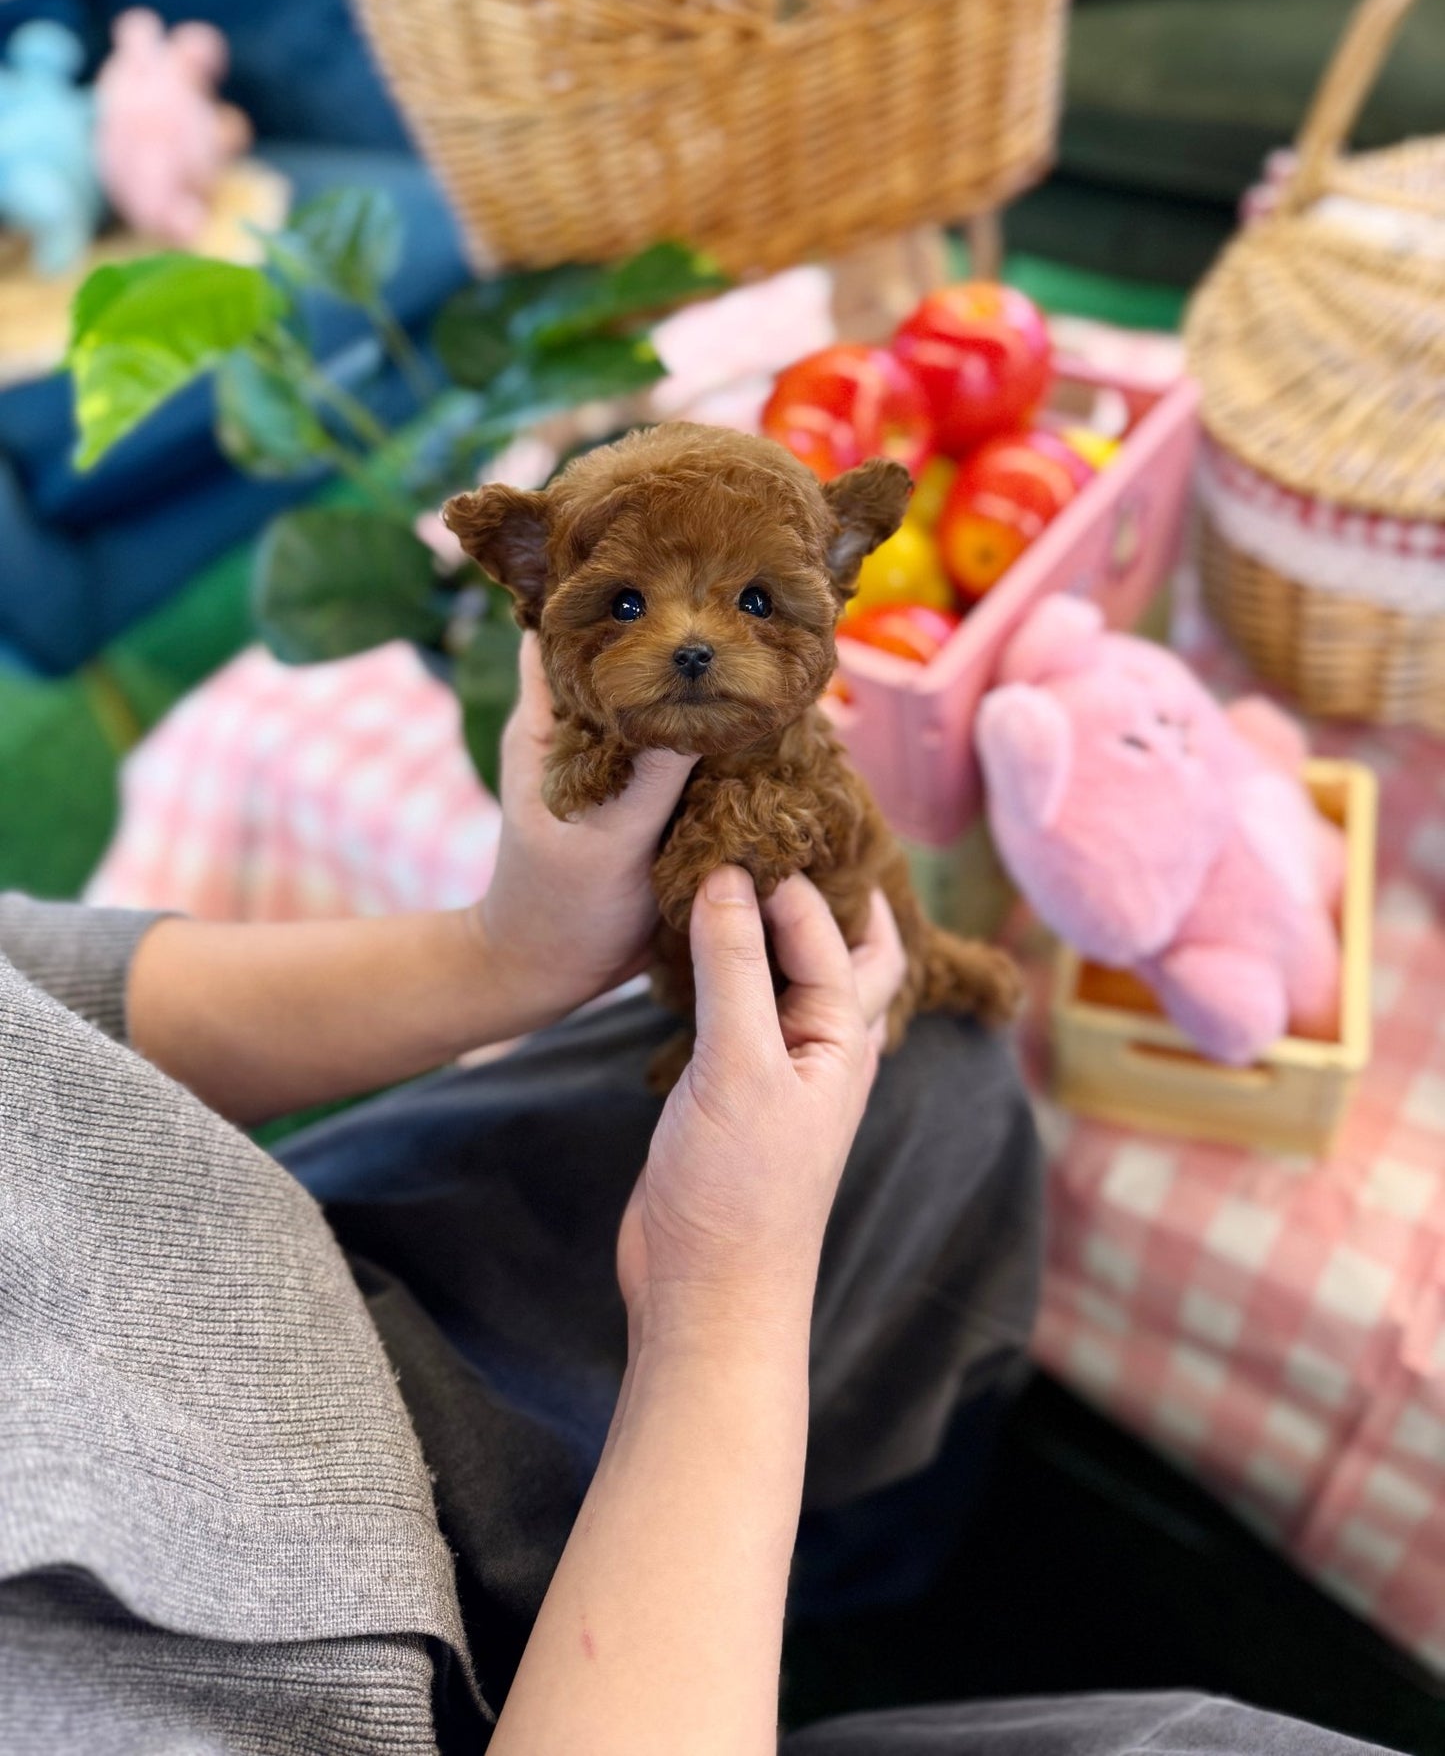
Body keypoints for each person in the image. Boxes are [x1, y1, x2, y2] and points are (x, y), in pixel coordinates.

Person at [0, 639, 1400, 1756]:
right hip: (448, 1702)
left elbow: (50, 1004)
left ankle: (834, 1582)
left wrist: (508, 954)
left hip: (300, 1309)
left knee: (926, 1073)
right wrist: (719, 1302)